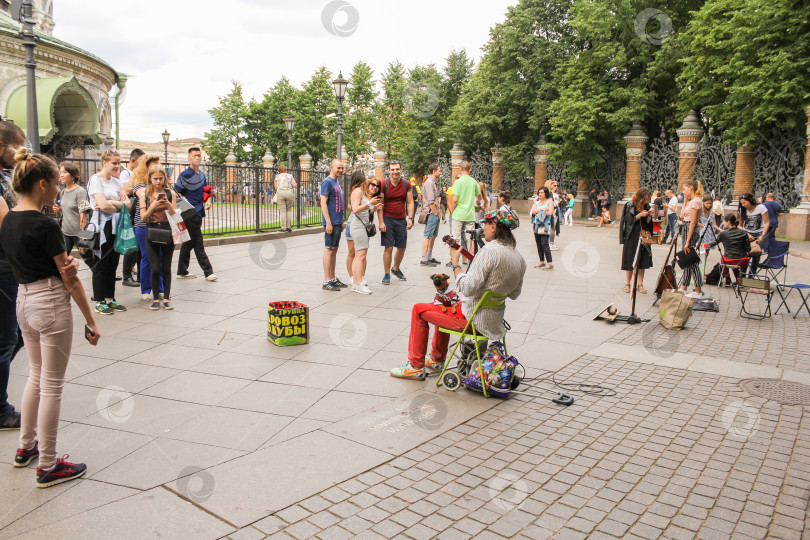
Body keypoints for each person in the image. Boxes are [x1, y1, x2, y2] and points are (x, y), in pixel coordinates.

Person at [1, 148, 100, 487]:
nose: (59, 189)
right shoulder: (44, 224)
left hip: (24, 300)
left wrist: (64, 263)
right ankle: (48, 464)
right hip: (50, 304)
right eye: (57, 183)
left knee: (36, 377)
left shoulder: (10, 218)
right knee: (53, 386)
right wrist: (91, 319)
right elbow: (68, 277)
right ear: (42, 184)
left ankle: (25, 447)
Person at [390, 209, 526, 380]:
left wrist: (455, 265)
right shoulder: (519, 257)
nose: (482, 228)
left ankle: (415, 366)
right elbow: (514, 294)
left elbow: (467, 288)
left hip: (472, 320)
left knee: (418, 310)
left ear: (493, 226)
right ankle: (436, 359)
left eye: (485, 224)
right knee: (445, 306)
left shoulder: (489, 251)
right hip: (494, 321)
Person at [0, 119, 24, 430]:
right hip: (4, 269)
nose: (21, 153)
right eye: (17, 146)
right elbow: (7, 227)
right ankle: (1, 409)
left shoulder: (5, 177)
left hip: (9, 267)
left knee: (13, 337)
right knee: (7, 339)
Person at [87, 149, 129, 315]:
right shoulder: (95, 180)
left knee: (113, 264)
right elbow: (102, 206)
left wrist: (110, 201)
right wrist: (117, 203)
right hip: (101, 227)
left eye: (119, 163)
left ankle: (110, 299)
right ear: (105, 163)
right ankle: (99, 300)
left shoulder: (117, 182)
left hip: (115, 226)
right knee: (100, 264)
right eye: (114, 163)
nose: (117, 166)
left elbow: (128, 205)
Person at [175, 147, 216, 282]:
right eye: (194, 155)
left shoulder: (202, 175)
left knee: (189, 242)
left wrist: (208, 200)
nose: (197, 157)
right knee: (198, 241)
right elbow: (176, 192)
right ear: (189, 158)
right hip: (189, 213)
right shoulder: (186, 174)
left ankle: (182, 270)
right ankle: (208, 272)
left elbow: (206, 190)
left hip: (199, 211)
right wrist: (184, 205)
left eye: (199, 155)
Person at [139, 165, 177, 310]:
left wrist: (167, 203)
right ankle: (155, 298)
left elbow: (174, 213)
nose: (158, 182)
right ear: (150, 178)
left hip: (167, 230)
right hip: (152, 230)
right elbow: (143, 217)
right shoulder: (145, 195)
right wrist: (153, 205)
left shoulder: (170, 193)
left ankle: (166, 297)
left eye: (161, 178)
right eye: (155, 179)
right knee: (155, 268)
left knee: (166, 267)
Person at [129, 154, 163, 301]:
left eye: (158, 164)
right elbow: (146, 195)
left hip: (160, 223)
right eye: (153, 164)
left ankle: (161, 288)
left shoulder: (161, 182)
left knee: (161, 257)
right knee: (147, 257)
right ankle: (146, 289)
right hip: (143, 224)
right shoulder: (139, 182)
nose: (157, 167)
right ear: (146, 166)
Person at [378, 161, 414, 285]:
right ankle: (387, 273)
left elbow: (410, 202)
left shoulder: (406, 184)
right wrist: (381, 222)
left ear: (401, 169)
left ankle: (396, 268)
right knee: (388, 247)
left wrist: (410, 218)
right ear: (388, 170)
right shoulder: (384, 184)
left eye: (397, 169)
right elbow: (380, 205)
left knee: (402, 247)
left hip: (401, 219)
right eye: (392, 169)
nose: (395, 172)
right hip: (387, 218)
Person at [348, 171, 381, 294]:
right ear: (361, 179)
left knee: (359, 255)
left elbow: (363, 211)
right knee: (360, 256)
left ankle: (358, 282)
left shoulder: (360, 192)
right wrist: (369, 203)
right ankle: (357, 283)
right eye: (366, 177)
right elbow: (355, 209)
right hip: (358, 227)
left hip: (360, 226)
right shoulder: (357, 191)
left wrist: (373, 208)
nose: (367, 179)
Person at [320, 158, 347, 291]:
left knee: (334, 250)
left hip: (337, 222)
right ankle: (326, 280)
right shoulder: (327, 182)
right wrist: (328, 222)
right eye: (338, 168)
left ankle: (332, 278)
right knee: (329, 249)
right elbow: (323, 202)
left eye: (342, 168)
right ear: (332, 167)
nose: (341, 170)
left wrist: (340, 221)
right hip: (331, 222)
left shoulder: (336, 182)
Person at [619, 188, 653, 293]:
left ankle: (640, 284)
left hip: (643, 235)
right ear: (640, 197)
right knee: (630, 259)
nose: (646, 201)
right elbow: (627, 221)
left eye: (647, 199)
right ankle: (628, 284)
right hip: (632, 235)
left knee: (642, 260)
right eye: (645, 198)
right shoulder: (629, 205)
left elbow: (647, 223)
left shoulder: (647, 206)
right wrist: (639, 215)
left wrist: (650, 216)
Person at [119, 148, 144, 287]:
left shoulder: (135, 174)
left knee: (138, 247)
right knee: (131, 246)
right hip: (130, 212)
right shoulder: (125, 173)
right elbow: (127, 190)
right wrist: (139, 184)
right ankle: (126, 276)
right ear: (133, 161)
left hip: (137, 213)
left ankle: (140, 275)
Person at [55, 162, 91, 257]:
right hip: (65, 232)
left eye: (65, 172)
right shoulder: (63, 192)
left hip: (79, 233)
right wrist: (59, 209)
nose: (61, 174)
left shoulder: (80, 191)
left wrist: (84, 237)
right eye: (60, 172)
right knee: (62, 260)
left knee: (90, 261)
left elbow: (84, 215)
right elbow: (70, 209)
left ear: (73, 175)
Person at [706, 213, 750, 285]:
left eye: (724, 221)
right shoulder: (744, 232)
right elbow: (748, 248)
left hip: (729, 260)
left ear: (728, 222)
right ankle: (738, 280)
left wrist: (704, 245)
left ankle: (728, 280)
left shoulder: (723, 233)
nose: (723, 223)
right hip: (743, 260)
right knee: (733, 260)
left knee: (723, 259)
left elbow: (712, 244)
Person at [448, 162, 480, 259]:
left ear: (460, 169)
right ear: (470, 169)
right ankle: (471, 259)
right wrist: (477, 202)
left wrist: (452, 211)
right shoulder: (474, 182)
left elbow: (454, 200)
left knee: (456, 238)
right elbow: (479, 197)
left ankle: (455, 259)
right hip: (470, 214)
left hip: (458, 214)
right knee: (470, 239)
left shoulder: (458, 182)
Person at [679, 180, 704, 297]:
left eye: (685, 189)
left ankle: (698, 290)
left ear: (690, 188)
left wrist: (688, 241)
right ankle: (684, 286)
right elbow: (682, 215)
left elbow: (693, 222)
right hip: (686, 227)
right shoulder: (691, 201)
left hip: (690, 230)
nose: (683, 191)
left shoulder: (697, 201)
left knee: (692, 260)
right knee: (687, 259)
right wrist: (685, 200)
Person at [738, 192, 770, 276]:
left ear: (750, 200)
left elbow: (767, 223)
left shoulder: (761, 208)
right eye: (742, 203)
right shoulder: (743, 209)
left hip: (759, 233)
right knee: (745, 256)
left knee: (756, 255)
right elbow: (739, 226)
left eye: (745, 202)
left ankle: (751, 276)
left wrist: (762, 236)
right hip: (747, 233)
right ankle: (742, 276)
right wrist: (747, 234)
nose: (743, 205)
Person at [420, 163, 442, 266]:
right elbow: (431, 201)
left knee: (433, 235)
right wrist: (435, 212)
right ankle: (424, 259)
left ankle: (429, 257)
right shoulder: (429, 182)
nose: (440, 172)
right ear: (434, 171)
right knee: (427, 235)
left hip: (434, 212)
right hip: (430, 213)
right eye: (439, 170)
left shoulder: (432, 182)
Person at [531, 187, 554, 270]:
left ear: (546, 193)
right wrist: (542, 209)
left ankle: (550, 263)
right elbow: (533, 211)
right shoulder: (537, 202)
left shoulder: (550, 201)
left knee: (544, 244)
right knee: (538, 244)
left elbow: (550, 212)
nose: (540, 194)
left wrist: (539, 211)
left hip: (545, 225)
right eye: (539, 192)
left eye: (542, 192)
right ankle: (542, 261)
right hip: (536, 224)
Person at [275, 164, 297, 233]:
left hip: (281, 193)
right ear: (286, 170)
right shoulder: (290, 176)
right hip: (289, 193)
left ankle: (283, 227)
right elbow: (295, 185)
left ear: (279, 170)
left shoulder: (277, 176)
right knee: (289, 210)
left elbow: (275, 186)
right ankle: (288, 227)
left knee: (283, 211)